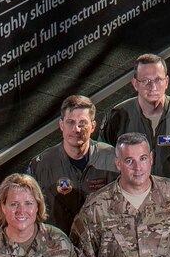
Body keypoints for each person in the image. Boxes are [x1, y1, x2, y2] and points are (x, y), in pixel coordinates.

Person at [102, 54, 170, 185]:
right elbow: (105, 163)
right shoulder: (117, 118)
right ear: (135, 84)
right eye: (146, 81)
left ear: (167, 82)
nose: (152, 87)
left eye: (158, 80)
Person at [26, 94, 113, 235]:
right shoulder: (41, 165)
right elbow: (28, 211)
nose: (76, 129)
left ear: (93, 126)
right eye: (70, 122)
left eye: (83, 123)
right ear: (61, 125)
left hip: (102, 241)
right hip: (60, 246)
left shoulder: (112, 158)